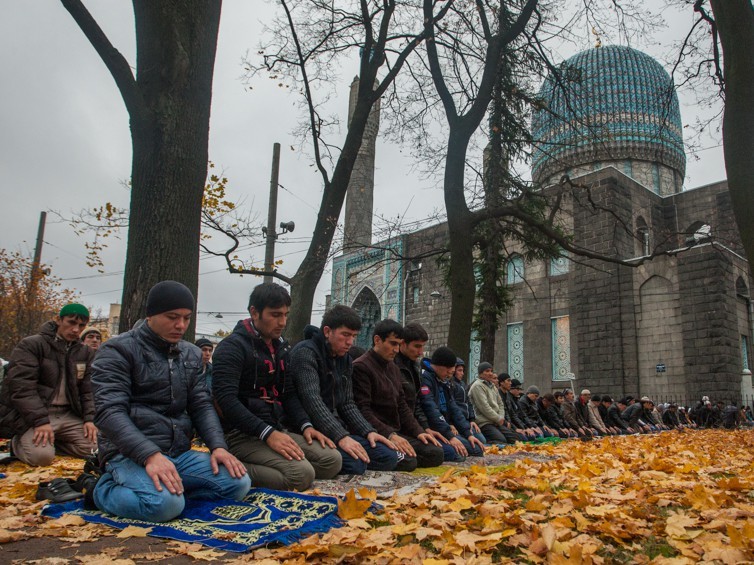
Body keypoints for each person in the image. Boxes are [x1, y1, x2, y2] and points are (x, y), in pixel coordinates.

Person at [90, 281, 250, 522]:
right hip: (128, 453)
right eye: (172, 317)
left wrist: (218, 447)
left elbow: (201, 405)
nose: (181, 325)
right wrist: (150, 456)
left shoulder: (191, 353)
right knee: (164, 506)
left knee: (238, 483)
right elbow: (109, 412)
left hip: (177, 452)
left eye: (186, 318)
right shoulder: (117, 350)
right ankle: (99, 490)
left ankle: (166, 490)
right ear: (151, 315)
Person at [212, 283, 341, 491]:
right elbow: (226, 401)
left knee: (332, 460)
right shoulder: (232, 347)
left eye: (285, 315)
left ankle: (273, 463)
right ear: (254, 312)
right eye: (275, 315)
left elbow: (288, 393)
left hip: (273, 428)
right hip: (239, 434)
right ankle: (231, 466)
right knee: (301, 475)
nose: (282, 322)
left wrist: (306, 426)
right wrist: (267, 433)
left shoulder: (280, 347)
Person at [289, 305, 399, 475]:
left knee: (389, 456)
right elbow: (312, 401)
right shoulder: (306, 353)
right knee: (355, 464)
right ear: (327, 331)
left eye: (354, 336)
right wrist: (341, 436)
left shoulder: (344, 359)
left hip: (335, 426)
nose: (350, 342)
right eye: (345, 335)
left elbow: (347, 403)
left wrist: (368, 431)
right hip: (309, 428)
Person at [0, 304, 98, 466]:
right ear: (59, 320)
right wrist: (40, 421)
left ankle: (52, 444)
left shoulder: (85, 353)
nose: (76, 329)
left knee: (98, 448)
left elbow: (88, 390)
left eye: (81, 325)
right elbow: (22, 388)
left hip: (68, 415)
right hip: (35, 415)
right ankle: (18, 443)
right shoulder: (32, 345)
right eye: (71, 323)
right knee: (41, 458)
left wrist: (89, 418)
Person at [352, 319, 443, 470]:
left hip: (396, 431)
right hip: (375, 432)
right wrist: (390, 435)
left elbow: (402, 405)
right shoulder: (362, 367)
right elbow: (363, 410)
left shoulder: (393, 368)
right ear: (377, 340)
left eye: (398, 345)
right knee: (407, 461)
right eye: (393, 344)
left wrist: (419, 431)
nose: (396, 349)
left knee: (435, 452)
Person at [394, 323, 453, 459]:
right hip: (399, 427)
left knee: (449, 450)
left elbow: (417, 403)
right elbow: (400, 406)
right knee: (440, 453)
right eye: (417, 346)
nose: (420, 352)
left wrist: (425, 428)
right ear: (402, 343)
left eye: (422, 347)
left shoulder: (414, 367)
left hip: (413, 425)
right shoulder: (393, 366)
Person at [419, 346, 485, 460]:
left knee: (477, 449)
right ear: (440, 366)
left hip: (446, 427)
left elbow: (453, 407)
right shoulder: (425, 378)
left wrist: (467, 433)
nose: (449, 375)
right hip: (434, 428)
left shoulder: (444, 380)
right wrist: (449, 435)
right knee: (457, 454)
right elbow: (430, 408)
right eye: (448, 372)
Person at [467, 366, 518, 445]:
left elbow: (500, 404)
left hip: (496, 421)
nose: (490, 373)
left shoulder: (493, 386)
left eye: (491, 371)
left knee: (514, 439)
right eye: (487, 371)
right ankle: (485, 443)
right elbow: (484, 407)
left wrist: (501, 417)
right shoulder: (477, 386)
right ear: (480, 373)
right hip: (484, 422)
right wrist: (498, 419)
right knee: (501, 440)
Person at [450, 359, 486, 445]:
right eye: (459, 370)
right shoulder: (451, 385)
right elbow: (451, 406)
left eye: (463, 371)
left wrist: (472, 420)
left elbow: (468, 403)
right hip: (457, 421)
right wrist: (450, 423)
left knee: (482, 440)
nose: (462, 373)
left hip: (466, 420)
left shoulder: (462, 384)